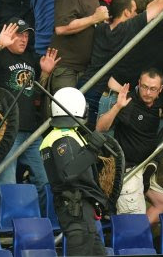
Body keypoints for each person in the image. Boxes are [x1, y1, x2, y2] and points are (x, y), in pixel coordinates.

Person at [0, 19, 60, 209]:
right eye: (19, 34)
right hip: (7, 131)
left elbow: (36, 93)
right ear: (8, 34)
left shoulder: (31, 59)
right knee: (7, 183)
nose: (23, 39)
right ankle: (0, 228)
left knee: (45, 180)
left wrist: (45, 73)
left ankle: (43, 225)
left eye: (27, 35)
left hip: (32, 131)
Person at [96, 69, 163, 224]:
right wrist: (117, 107)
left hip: (143, 166)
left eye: (153, 89)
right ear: (139, 84)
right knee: (133, 223)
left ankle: (130, 235)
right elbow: (100, 127)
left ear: (160, 90)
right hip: (127, 170)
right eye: (144, 87)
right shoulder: (129, 103)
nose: (147, 92)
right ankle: (130, 238)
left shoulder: (158, 101)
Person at [40, 86, 108, 256]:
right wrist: (92, 149)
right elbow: (69, 172)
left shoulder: (60, 135)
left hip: (79, 208)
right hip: (76, 207)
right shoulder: (64, 137)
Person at [50, 0, 109, 89]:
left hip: (83, 68)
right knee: (64, 109)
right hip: (66, 68)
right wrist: (94, 18)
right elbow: (62, 28)